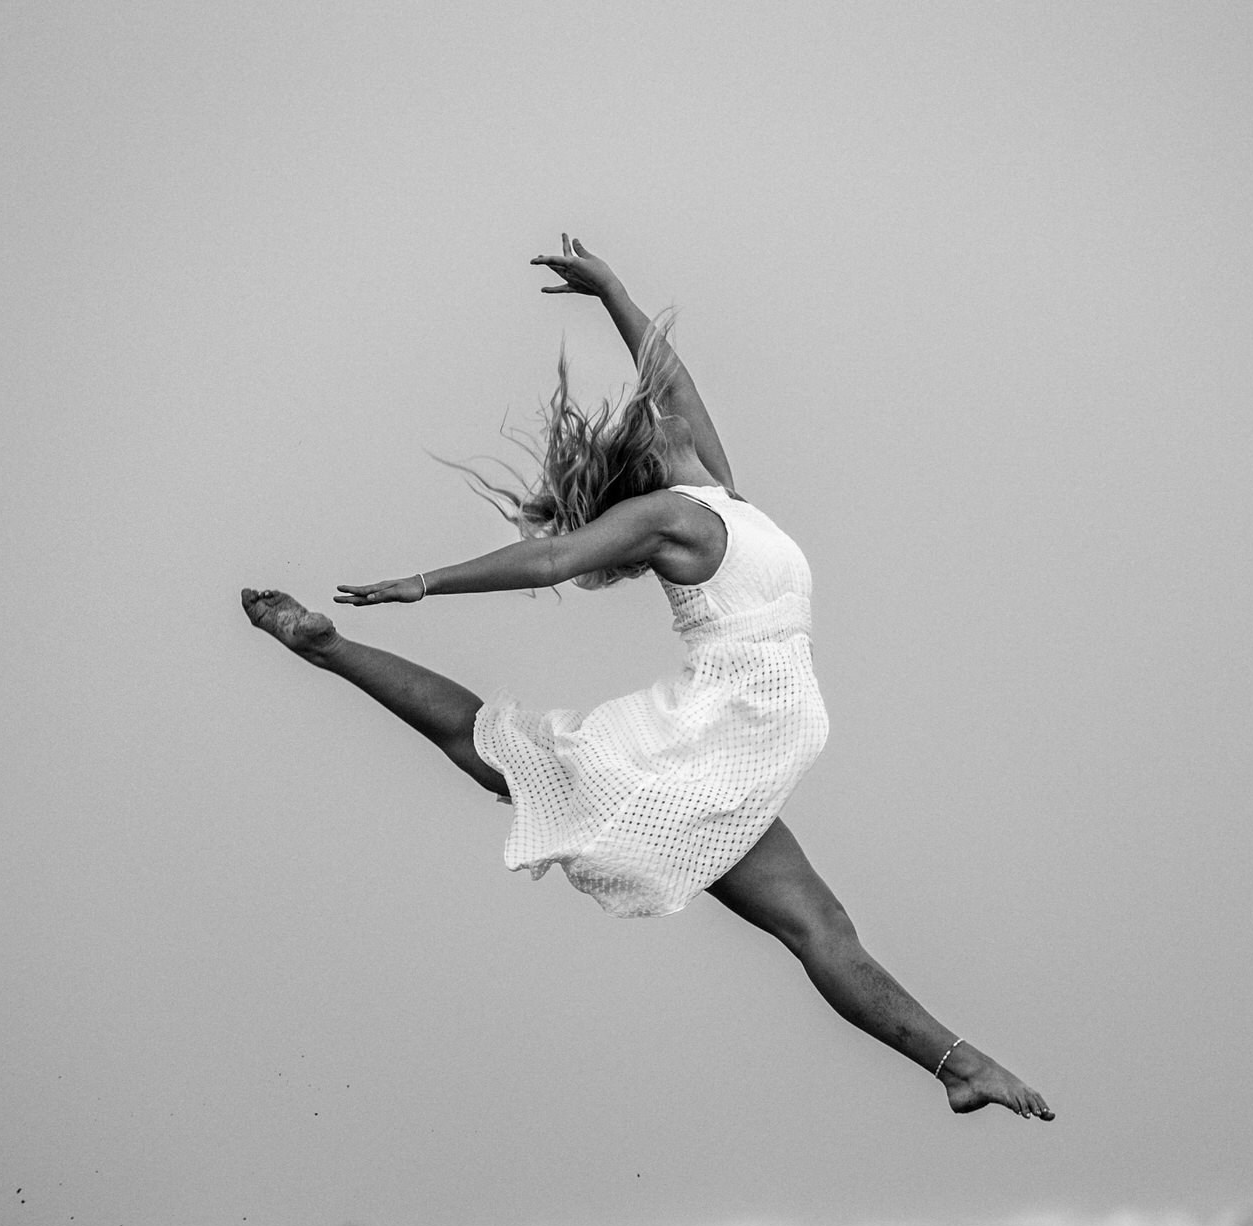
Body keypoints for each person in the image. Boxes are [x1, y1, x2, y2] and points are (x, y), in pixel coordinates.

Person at [242, 238, 1052, 1120]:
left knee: (502, 756)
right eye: (661, 426)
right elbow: (551, 558)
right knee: (807, 926)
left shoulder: (717, 494)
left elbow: (670, 385)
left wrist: (614, 295)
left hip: (744, 740)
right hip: (727, 734)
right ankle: (959, 1066)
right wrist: (426, 583)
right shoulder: (672, 516)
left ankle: (957, 1065)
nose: (671, 419)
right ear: (644, 463)